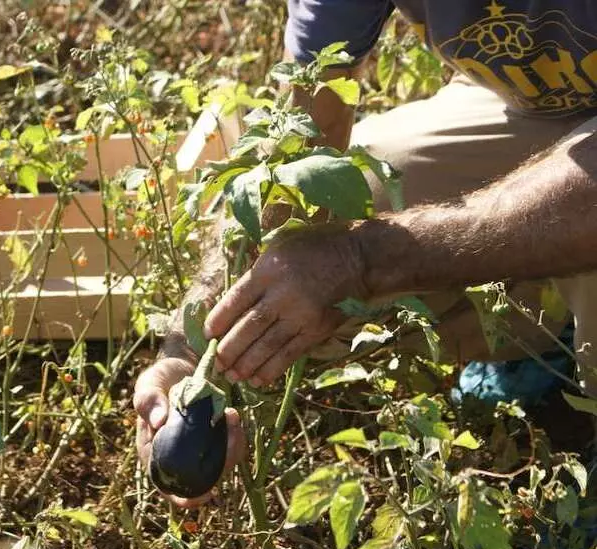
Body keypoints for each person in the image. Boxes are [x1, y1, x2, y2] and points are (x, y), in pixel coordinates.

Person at [134, 0, 597, 507]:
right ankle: (547, 331)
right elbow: (301, 137)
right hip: (525, 102)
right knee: (351, 197)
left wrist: (361, 260)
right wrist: (189, 350)